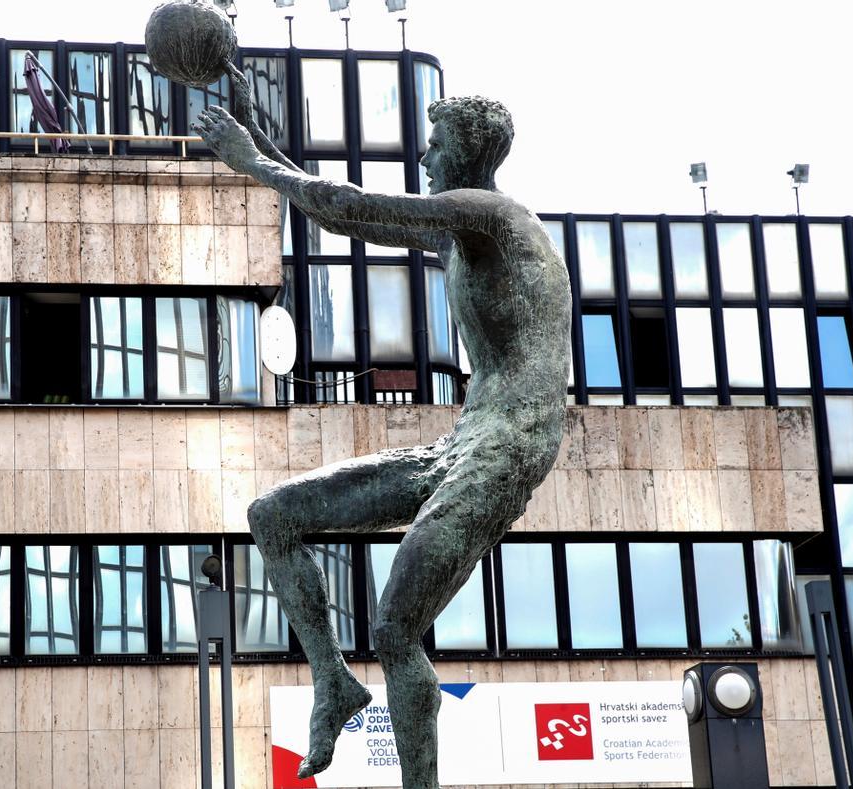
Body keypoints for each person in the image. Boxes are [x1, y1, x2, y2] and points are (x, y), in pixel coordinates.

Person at [193, 94, 571, 789]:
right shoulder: (463, 235)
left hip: (509, 444)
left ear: (471, 153)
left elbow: (347, 204)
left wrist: (249, 161)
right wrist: (251, 123)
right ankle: (334, 683)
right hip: (461, 443)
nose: (423, 156)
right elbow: (338, 209)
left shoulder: (492, 218)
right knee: (273, 515)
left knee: (396, 625)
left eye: (435, 143)